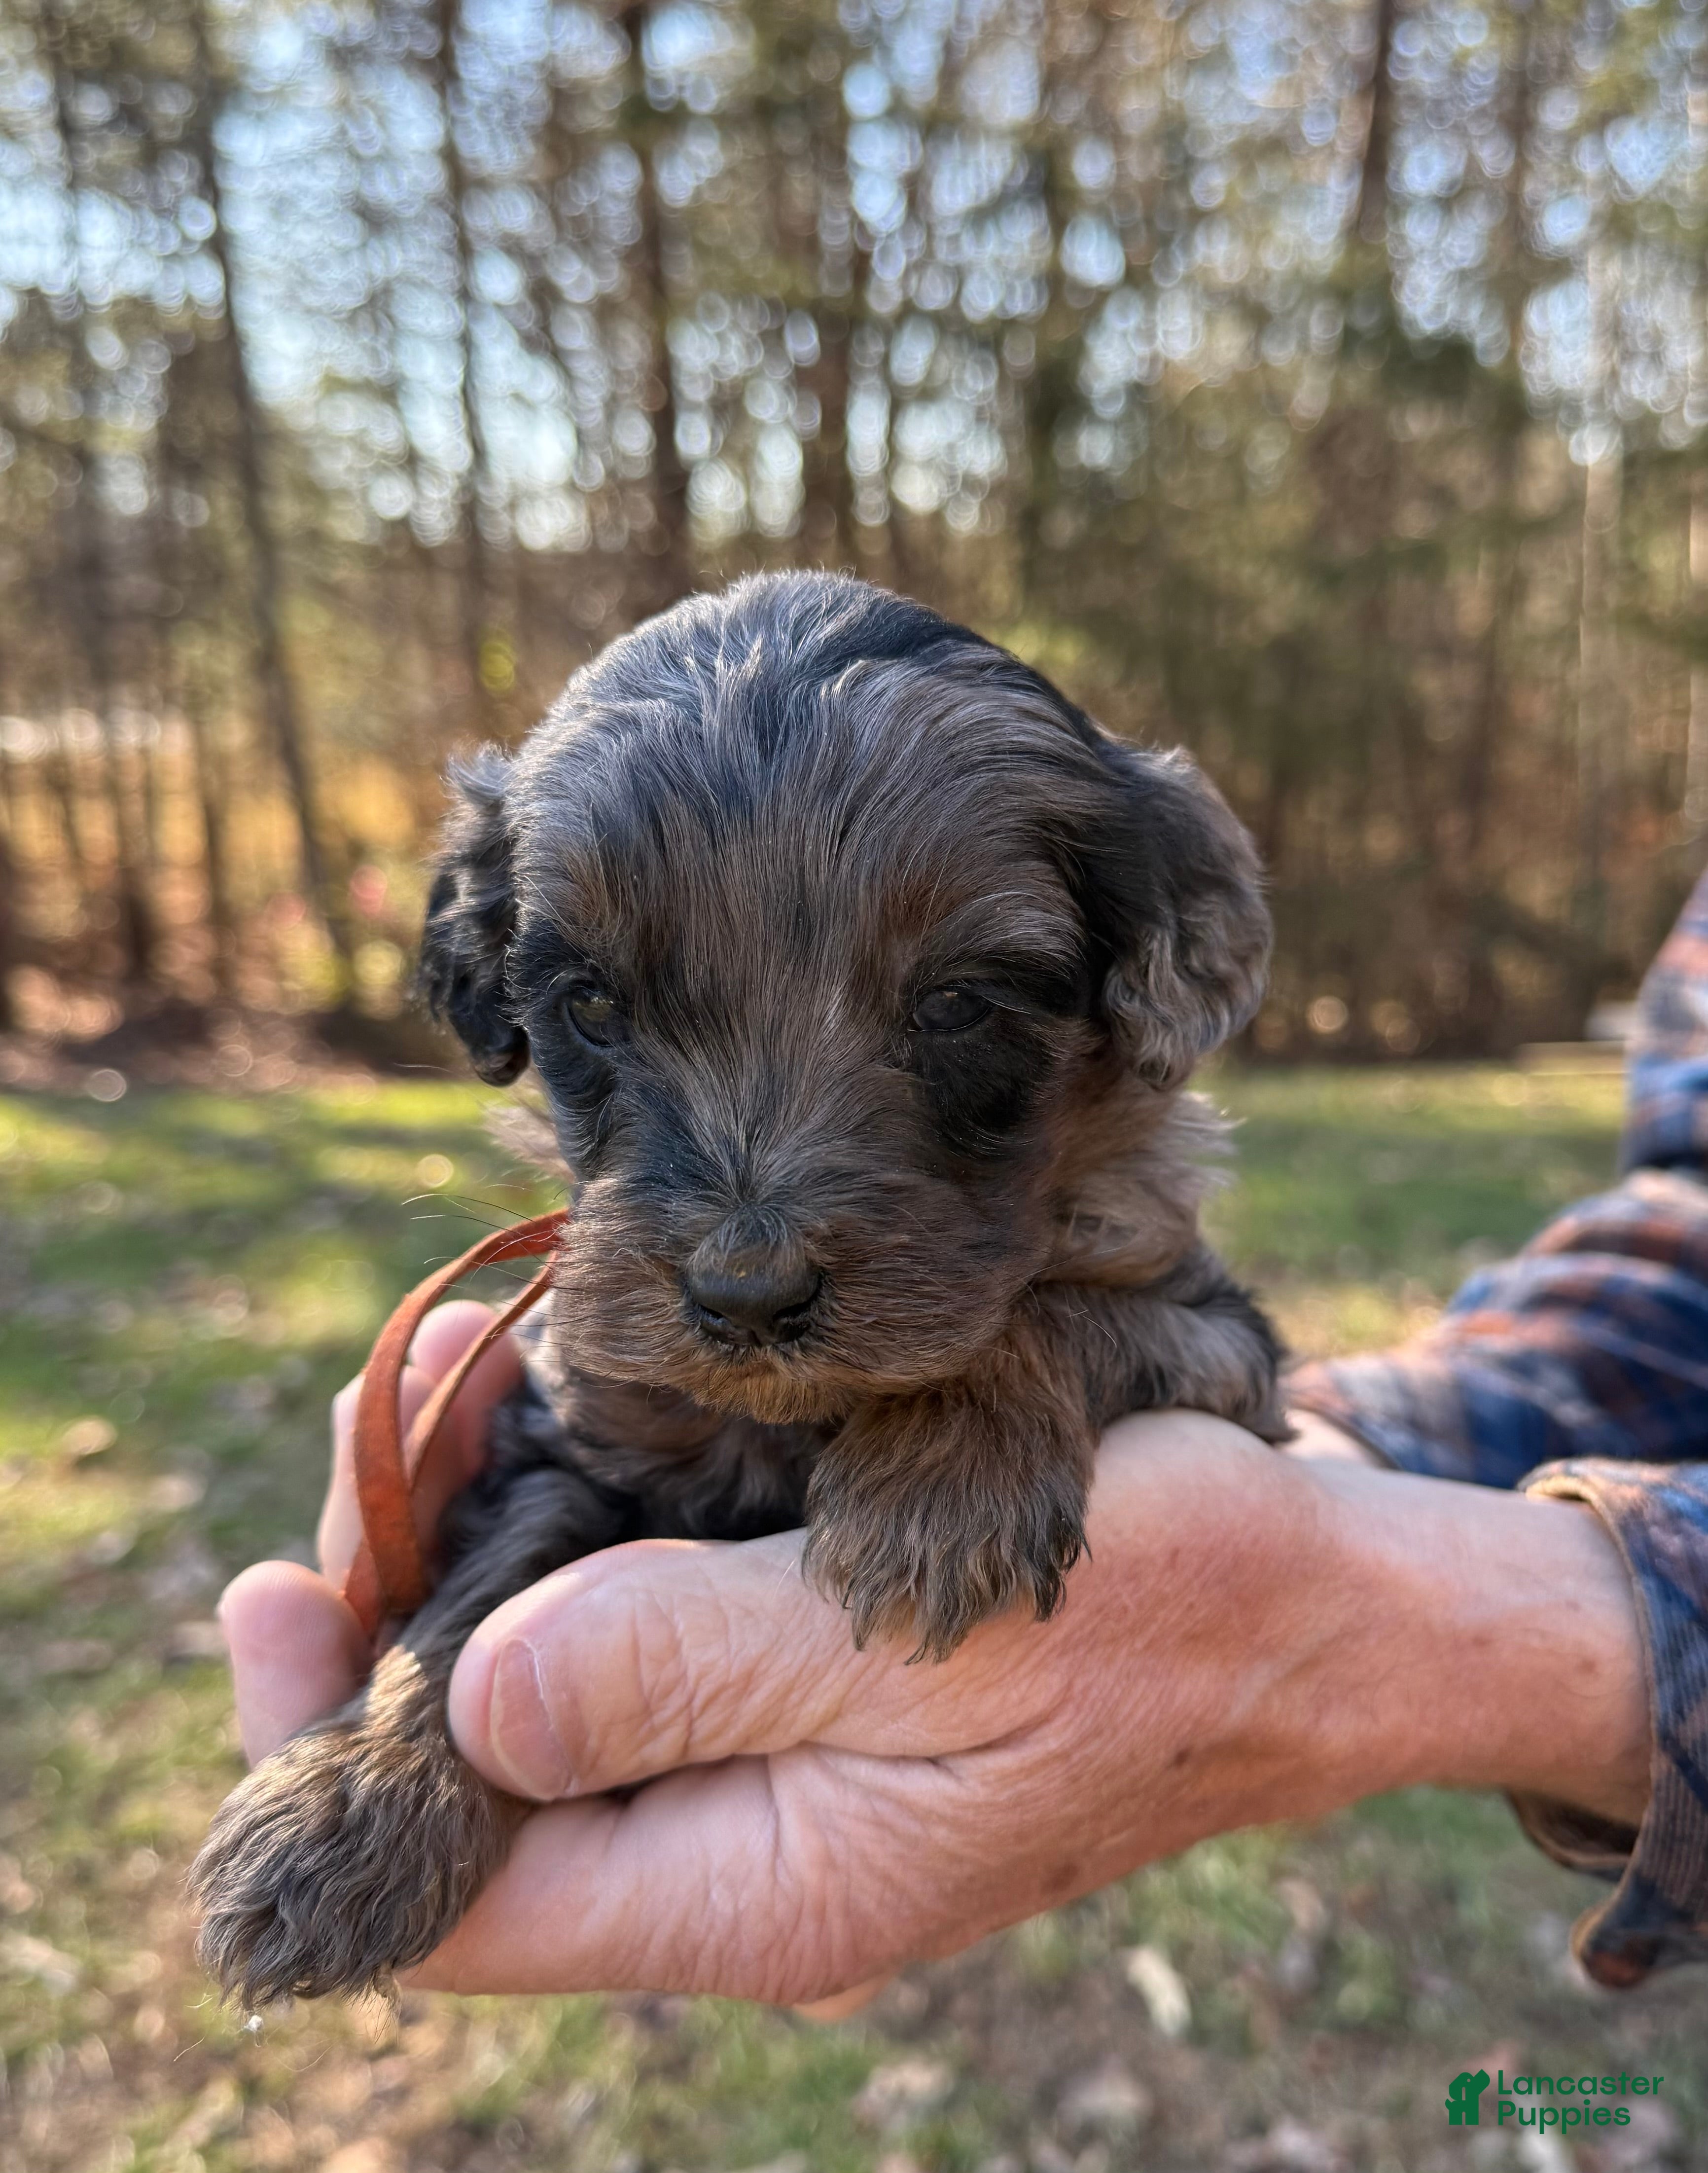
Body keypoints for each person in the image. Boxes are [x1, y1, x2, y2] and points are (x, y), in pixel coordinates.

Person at [215, 879, 1708, 2005]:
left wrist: (1051, 1392)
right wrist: (423, 1734)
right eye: (600, 1018)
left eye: (953, 1013)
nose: (749, 1249)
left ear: (1138, 980)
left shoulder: (1108, 1179)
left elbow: (1201, 1339)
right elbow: (1686, 1249)